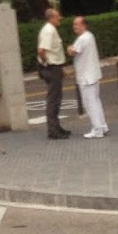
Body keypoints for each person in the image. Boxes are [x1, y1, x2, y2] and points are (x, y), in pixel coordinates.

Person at [68, 16, 108, 138]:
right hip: (93, 74)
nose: (74, 27)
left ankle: (97, 129)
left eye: (77, 24)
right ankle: (103, 126)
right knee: (96, 102)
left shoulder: (82, 38)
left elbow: (72, 52)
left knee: (90, 104)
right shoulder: (90, 36)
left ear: (84, 25)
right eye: (74, 24)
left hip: (86, 77)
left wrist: (68, 48)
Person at [36, 8, 69, 139]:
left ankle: (56, 127)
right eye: (57, 16)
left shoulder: (50, 29)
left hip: (55, 66)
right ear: (51, 18)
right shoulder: (49, 31)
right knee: (53, 99)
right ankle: (53, 131)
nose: (59, 18)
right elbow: (41, 51)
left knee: (57, 97)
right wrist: (48, 63)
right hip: (51, 67)